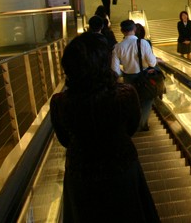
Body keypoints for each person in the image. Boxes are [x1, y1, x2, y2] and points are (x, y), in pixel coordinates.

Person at [50, 32, 160, 222]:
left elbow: (65, 140)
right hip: (121, 167)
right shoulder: (125, 95)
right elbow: (131, 128)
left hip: (81, 173)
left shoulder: (60, 102)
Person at [112, 19, 158, 131]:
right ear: (134, 29)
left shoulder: (117, 47)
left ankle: (133, 123)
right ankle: (143, 123)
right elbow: (152, 62)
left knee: (132, 100)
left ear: (122, 31)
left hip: (128, 78)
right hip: (144, 76)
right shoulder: (143, 43)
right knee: (147, 98)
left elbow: (114, 69)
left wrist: (122, 74)